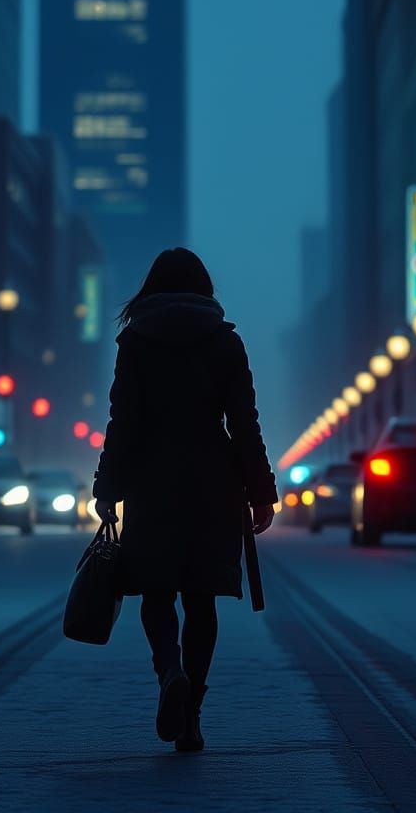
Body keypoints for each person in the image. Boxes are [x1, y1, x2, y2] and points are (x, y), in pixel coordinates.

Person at [93, 248, 277, 753]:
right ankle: (192, 709)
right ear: (204, 288)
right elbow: (244, 424)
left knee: (156, 592)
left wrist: (107, 487)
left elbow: (122, 422)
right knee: (201, 598)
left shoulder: (134, 342)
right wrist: (261, 492)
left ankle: (168, 672)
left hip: (152, 481)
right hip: (213, 482)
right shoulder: (225, 342)